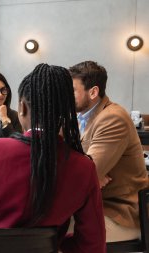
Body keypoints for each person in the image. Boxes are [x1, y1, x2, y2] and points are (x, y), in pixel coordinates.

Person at [0, 63, 106, 252]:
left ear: (22, 107)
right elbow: (92, 243)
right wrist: (53, 243)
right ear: (67, 110)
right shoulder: (83, 167)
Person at [69, 60, 148, 242]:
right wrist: (91, 174)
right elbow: (79, 167)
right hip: (93, 205)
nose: (66, 96)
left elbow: (85, 174)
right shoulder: (78, 116)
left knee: (52, 235)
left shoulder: (112, 118)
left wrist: (90, 174)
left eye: (72, 90)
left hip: (120, 213)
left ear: (94, 92)